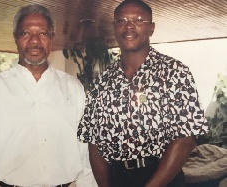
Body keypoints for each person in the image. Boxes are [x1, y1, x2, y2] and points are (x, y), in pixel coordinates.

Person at [77, 0, 209, 187]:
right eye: (121, 20)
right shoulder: (101, 82)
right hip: (117, 179)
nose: (129, 26)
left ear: (151, 28)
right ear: (114, 28)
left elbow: (186, 138)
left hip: (163, 177)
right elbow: (94, 142)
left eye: (139, 20)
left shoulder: (174, 72)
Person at [0, 4, 97, 187]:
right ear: (15, 38)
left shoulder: (73, 88)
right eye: (26, 33)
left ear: (52, 38)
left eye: (42, 33)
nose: (34, 41)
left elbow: (86, 155)